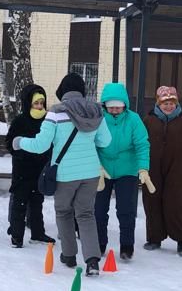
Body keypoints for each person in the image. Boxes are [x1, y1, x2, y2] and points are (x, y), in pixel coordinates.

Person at [13, 73, 111, 276]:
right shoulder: (96, 111)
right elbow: (105, 141)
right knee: (86, 214)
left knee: (64, 212)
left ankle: (68, 255)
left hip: (65, 174)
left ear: (62, 91)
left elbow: (40, 146)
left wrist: (19, 141)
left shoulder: (55, 113)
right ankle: (92, 260)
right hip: (91, 172)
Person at [142, 86, 182, 256]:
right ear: (158, 104)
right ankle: (154, 237)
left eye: (171, 103)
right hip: (152, 169)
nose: (168, 106)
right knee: (152, 201)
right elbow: (139, 143)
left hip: (177, 169)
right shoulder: (148, 120)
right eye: (165, 103)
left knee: (175, 202)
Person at [95, 82, 152, 261]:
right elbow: (90, 144)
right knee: (98, 210)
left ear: (124, 105)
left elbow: (142, 144)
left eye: (118, 108)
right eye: (111, 108)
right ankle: (99, 243)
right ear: (104, 106)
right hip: (102, 170)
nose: (114, 111)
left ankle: (127, 246)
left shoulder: (133, 119)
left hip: (127, 169)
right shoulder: (98, 119)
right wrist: (97, 166)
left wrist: (143, 168)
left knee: (126, 210)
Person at [4, 84, 54, 248]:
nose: (40, 107)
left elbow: (52, 142)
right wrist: (22, 154)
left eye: (42, 103)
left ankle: (37, 233)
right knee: (20, 204)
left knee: (37, 203)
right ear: (28, 104)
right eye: (36, 103)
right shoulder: (20, 121)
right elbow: (10, 143)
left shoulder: (48, 121)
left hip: (41, 170)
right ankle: (17, 236)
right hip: (22, 171)